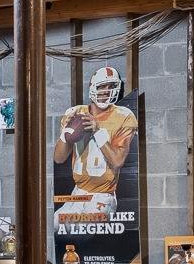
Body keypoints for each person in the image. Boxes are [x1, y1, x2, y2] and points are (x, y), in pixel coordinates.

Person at [53, 66, 138, 220]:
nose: (107, 91)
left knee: (80, 231)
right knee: (58, 224)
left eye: (111, 86)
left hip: (103, 196)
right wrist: (66, 135)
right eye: (102, 86)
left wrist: (97, 131)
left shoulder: (124, 116)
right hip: (78, 193)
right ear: (93, 88)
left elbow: (117, 161)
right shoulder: (74, 113)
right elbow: (59, 158)